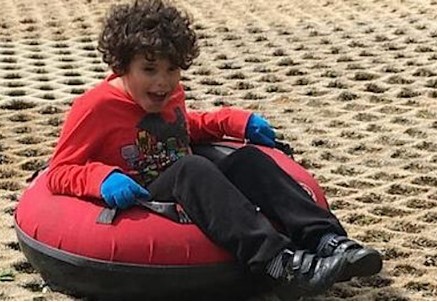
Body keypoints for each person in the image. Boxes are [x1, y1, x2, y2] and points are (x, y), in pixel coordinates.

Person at [46, 0, 382, 297]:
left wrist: (235, 122)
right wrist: (102, 179)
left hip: (191, 182)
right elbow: (60, 170)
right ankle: (279, 264)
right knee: (192, 168)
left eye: (172, 70)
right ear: (121, 66)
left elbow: (182, 128)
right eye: (148, 70)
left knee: (248, 160)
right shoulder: (96, 108)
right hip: (145, 196)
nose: (162, 82)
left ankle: (325, 238)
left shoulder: (169, 95)